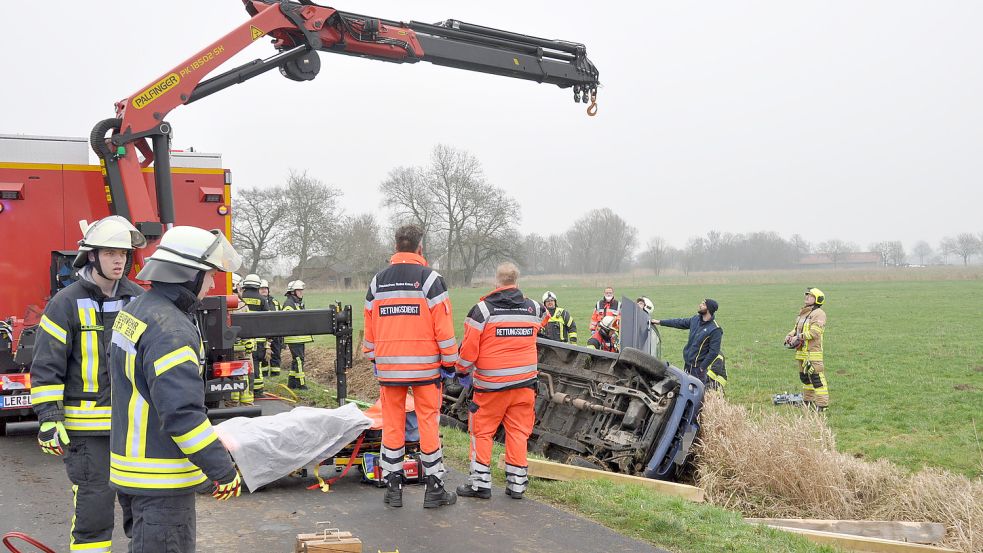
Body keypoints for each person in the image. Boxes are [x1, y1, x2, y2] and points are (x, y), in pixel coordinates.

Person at [108, 226, 243, 552]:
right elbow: (182, 414)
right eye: (208, 274)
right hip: (161, 481)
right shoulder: (171, 329)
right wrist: (222, 469)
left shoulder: (136, 310)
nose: (211, 283)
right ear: (189, 274)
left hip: (134, 473)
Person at [30, 216, 146, 553]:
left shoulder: (138, 299)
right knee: (94, 509)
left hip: (132, 427)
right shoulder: (65, 303)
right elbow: (47, 365)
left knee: (142, 506)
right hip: (87, 432)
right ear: (91, 256)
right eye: (110, 252)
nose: (118, 260)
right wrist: (50, 418)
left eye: (123, 253)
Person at [363, 224, 458, 509]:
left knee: (392, 426)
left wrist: (374, 358)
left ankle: (393, 488)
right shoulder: (430, 280)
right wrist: (451, 363)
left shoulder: (378, 282)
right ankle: (434, 489)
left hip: (390, 369)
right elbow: (444, 327)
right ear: (421, 247)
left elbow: (370, 328)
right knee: (428, 424)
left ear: (396, 247)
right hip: (426, 370)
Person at [455, 263, 548, 500]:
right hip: (525, 386)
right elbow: (544, 320)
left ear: (496, 282)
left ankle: (480, 485)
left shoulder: (482, 311)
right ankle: (517, 486)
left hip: (490, 389)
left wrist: (461, 372)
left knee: (482, 433)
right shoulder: (534, 309)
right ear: (517, 282)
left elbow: (467, 353)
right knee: (518, 433)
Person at [653, 299, 723, 386]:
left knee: (696, 394)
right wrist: (659, 322)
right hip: (687, 364)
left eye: (703, 304)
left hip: (698, 369)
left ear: (709, 309)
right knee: (686, 388)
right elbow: (679, 322)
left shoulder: (715, 329)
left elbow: (714, 352)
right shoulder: (695, 319)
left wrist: (702, 367)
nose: (700, 305)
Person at [785, 288, 829, 410]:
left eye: (810, 296)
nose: (807, 297)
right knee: (805, 379)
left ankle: (822, 405)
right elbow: (797, 329)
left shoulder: (819, 314)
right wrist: (790, 335)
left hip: (812, 353)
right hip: (801, 353)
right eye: (807, 295)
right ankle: (808, 401)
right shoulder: (804, 313)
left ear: (817, 300)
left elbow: (815, 332)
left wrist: (799, 337)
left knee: (817, 379)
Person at [239, 273, 267, 399]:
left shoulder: (241, 297)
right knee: (256, 363)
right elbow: (268, 318)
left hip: (242, 338)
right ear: (257, 285)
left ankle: (242, 389)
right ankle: (257, 391)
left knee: (242, 363)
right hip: (259, 337)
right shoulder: (262, 299)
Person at [282, 280, 313, 390]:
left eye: (301, 290)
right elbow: (288, 321)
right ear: (292, 292)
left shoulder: (297, 303)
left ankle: (292, 383)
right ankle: (301, 384)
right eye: (299, 290)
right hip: (294, 338)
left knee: (297, 359)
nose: (301, 292)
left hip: (299, 337)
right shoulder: (289, 304)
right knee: (299, 360)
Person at [261, 279, 283, 376]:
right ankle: (264, 374)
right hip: (262, 332)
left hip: (275, 332)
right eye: (261, 288)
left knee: (276, 353)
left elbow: (281, 315)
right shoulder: (258, 301)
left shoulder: (275, 302)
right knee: (262, 355)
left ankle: (275, 374)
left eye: (265, 288)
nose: (264, 290)